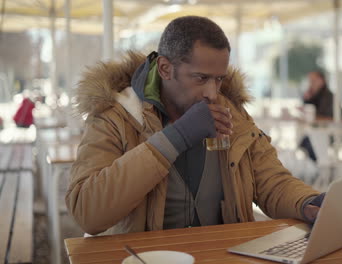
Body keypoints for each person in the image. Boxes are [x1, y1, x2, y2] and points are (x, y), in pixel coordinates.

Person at [66, 16, 325, 236]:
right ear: (165, 69)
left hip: (223, 254)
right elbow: (87, 212)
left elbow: (271, 182)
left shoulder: (231, 111)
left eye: (219, 79)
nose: (212, 93)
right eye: (201, 78)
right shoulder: (116, 116)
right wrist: (177, 136)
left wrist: (307, 202)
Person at [299, 71, 342, 161]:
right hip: (318, 133)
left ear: (321, 81)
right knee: (305, 142)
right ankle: (315, 167)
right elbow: (310, 112)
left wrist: (314, 118)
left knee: (309, 143)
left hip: (332, 133)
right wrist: (306, 100)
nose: (310, 84)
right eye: (310, 81)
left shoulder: (329, 97)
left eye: (313, 80)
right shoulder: (315, 96)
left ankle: (319, 168)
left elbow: (338, 119)